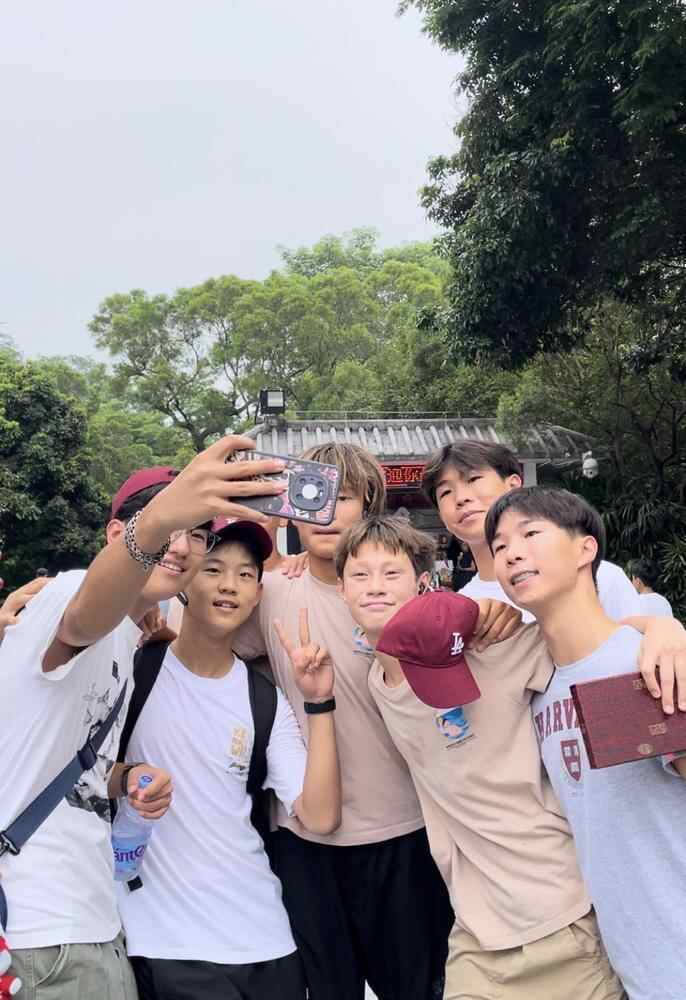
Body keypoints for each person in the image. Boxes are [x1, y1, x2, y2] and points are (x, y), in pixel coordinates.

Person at [0, 439, 287, 998]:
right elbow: (83, 618)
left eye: (197, 534)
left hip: (94, 925)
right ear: (117, 534)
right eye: (169, 527)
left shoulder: (132, 647)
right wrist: (157, 523)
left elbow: (74, 769)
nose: (181, 545)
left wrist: (126, 777)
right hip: (43, 936)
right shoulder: (68, 593)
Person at [335, 514, 624, 1000]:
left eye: (392, 573)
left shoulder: (484, 650)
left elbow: (592, 641)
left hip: (562, 918)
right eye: (360, 575)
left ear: (423, 584)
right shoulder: (375, 682)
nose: (375, 586)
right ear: (341, 590)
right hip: (476, 935)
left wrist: (660, 630)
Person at [229, 443, 455, 1000]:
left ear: (368, 505)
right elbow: (209, 649)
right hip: (303, 839)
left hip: (404, 832)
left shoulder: (404, 596)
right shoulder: (270, 591)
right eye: (308, 494)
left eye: (342, 496)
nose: (324, 510)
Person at [118, 518, 341, 1000]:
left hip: (267, 942)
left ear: (258, 594)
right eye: (213, 569)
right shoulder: (135, 674)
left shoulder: (264, 699)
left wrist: (319, 701)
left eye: (245, 575)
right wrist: (127, 776)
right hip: (167, 943)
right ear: (184, 580)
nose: (229, 585)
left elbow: (319, 815)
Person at [486, 486, 686, 1000]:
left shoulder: (644, 664)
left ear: (585, 548)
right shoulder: (538, 688)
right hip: (632, 962)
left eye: (530, 533)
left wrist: (661, 629)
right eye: (500, 545)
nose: (511, 553)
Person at [422, 441, 642, 621]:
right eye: (445, 493)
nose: (461, 498)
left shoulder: (592, 575)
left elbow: (638, 643)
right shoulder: (464, 608)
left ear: (513, 485)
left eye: (473, 479)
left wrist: (656, 628)